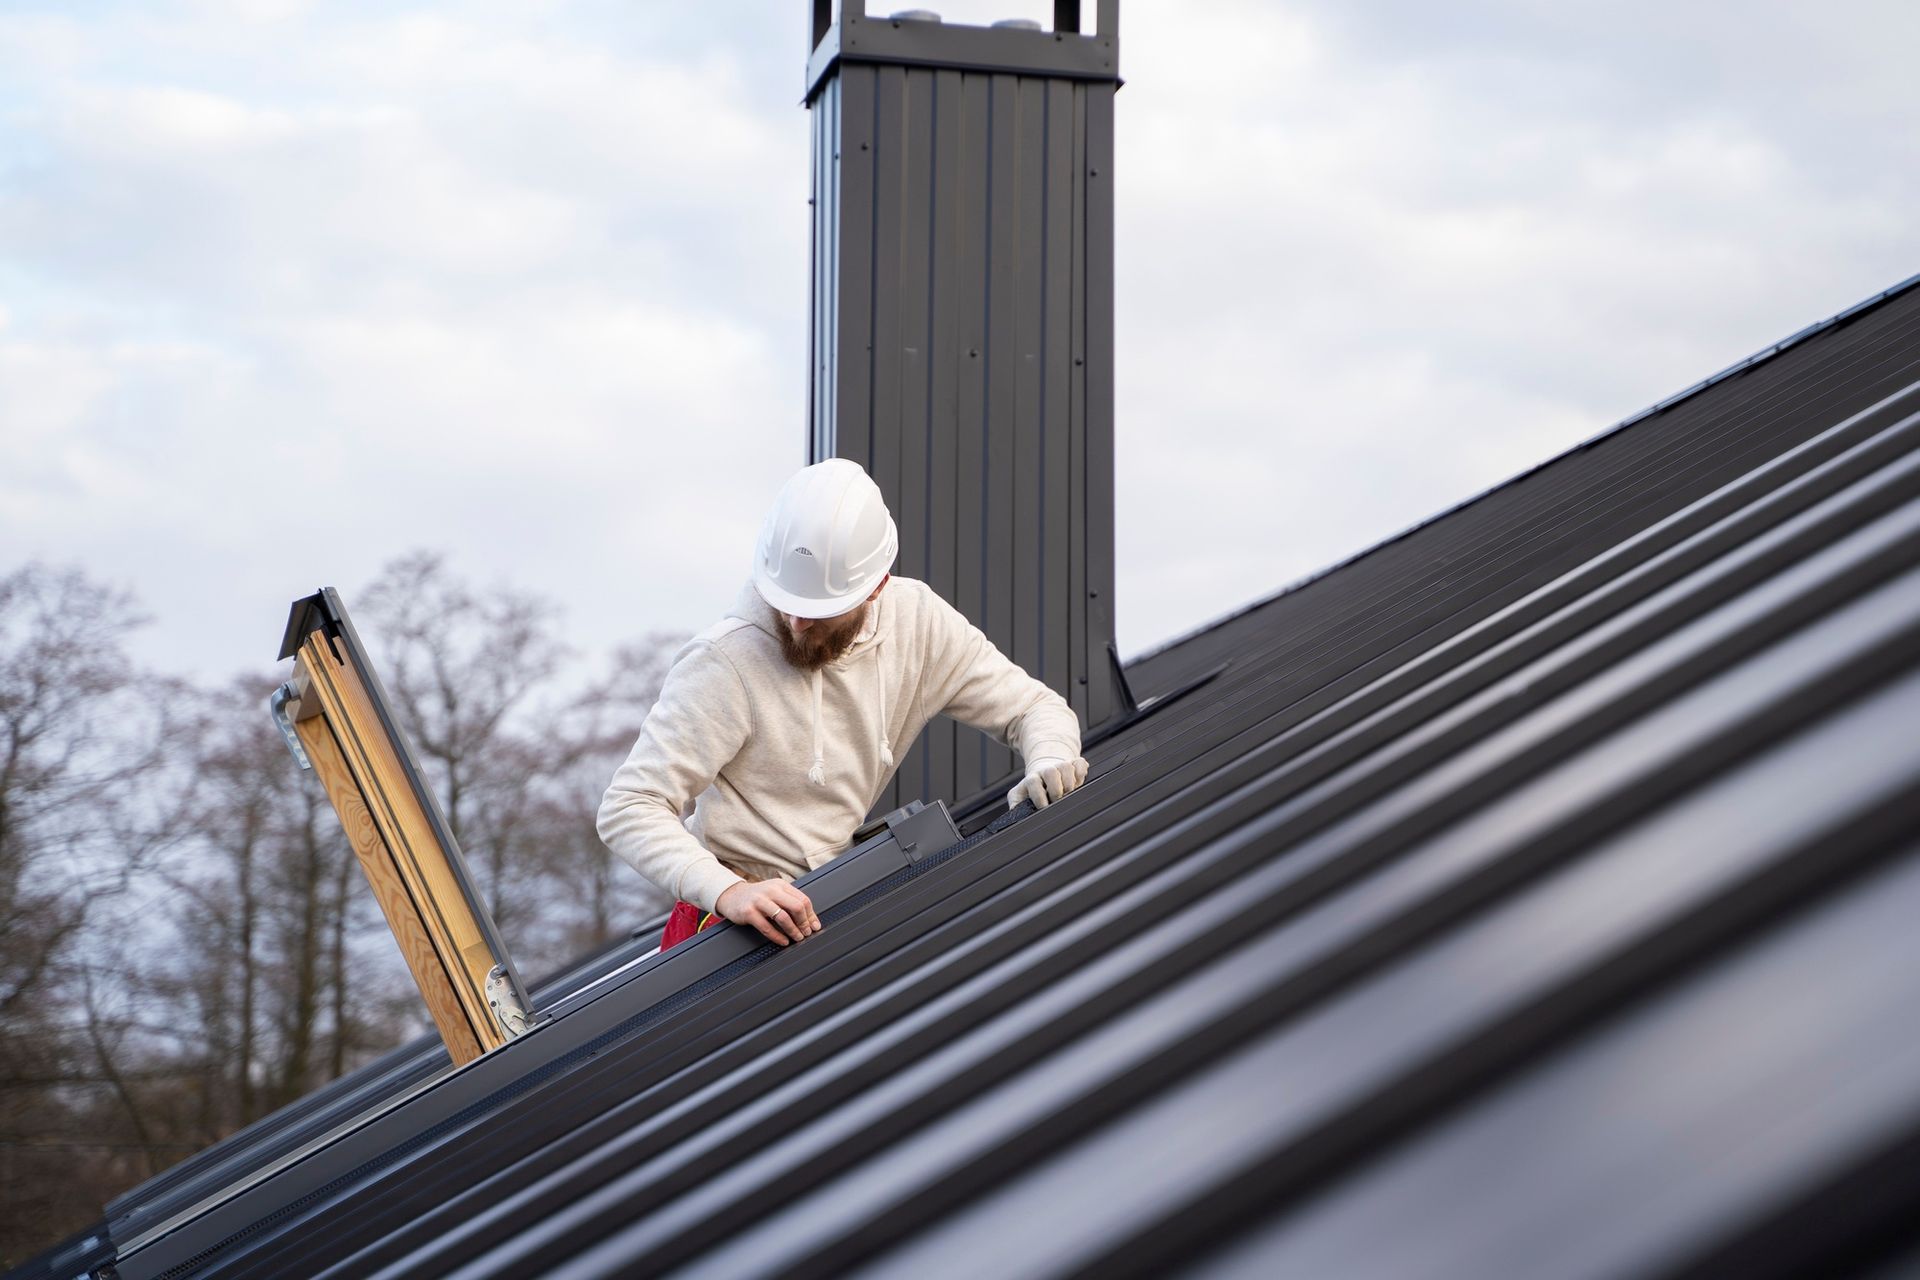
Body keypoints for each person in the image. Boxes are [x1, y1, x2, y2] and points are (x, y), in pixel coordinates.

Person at [598, 458, 1089, 949]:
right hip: (725, 924)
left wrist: (1050, 758)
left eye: (818, 612)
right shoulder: (725, 661)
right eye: (785, 602)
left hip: (829, 902)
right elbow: (630, 806)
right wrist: (729, 891)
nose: (796, 623)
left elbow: (1034, 708)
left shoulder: (918, 624)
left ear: (877, 586)